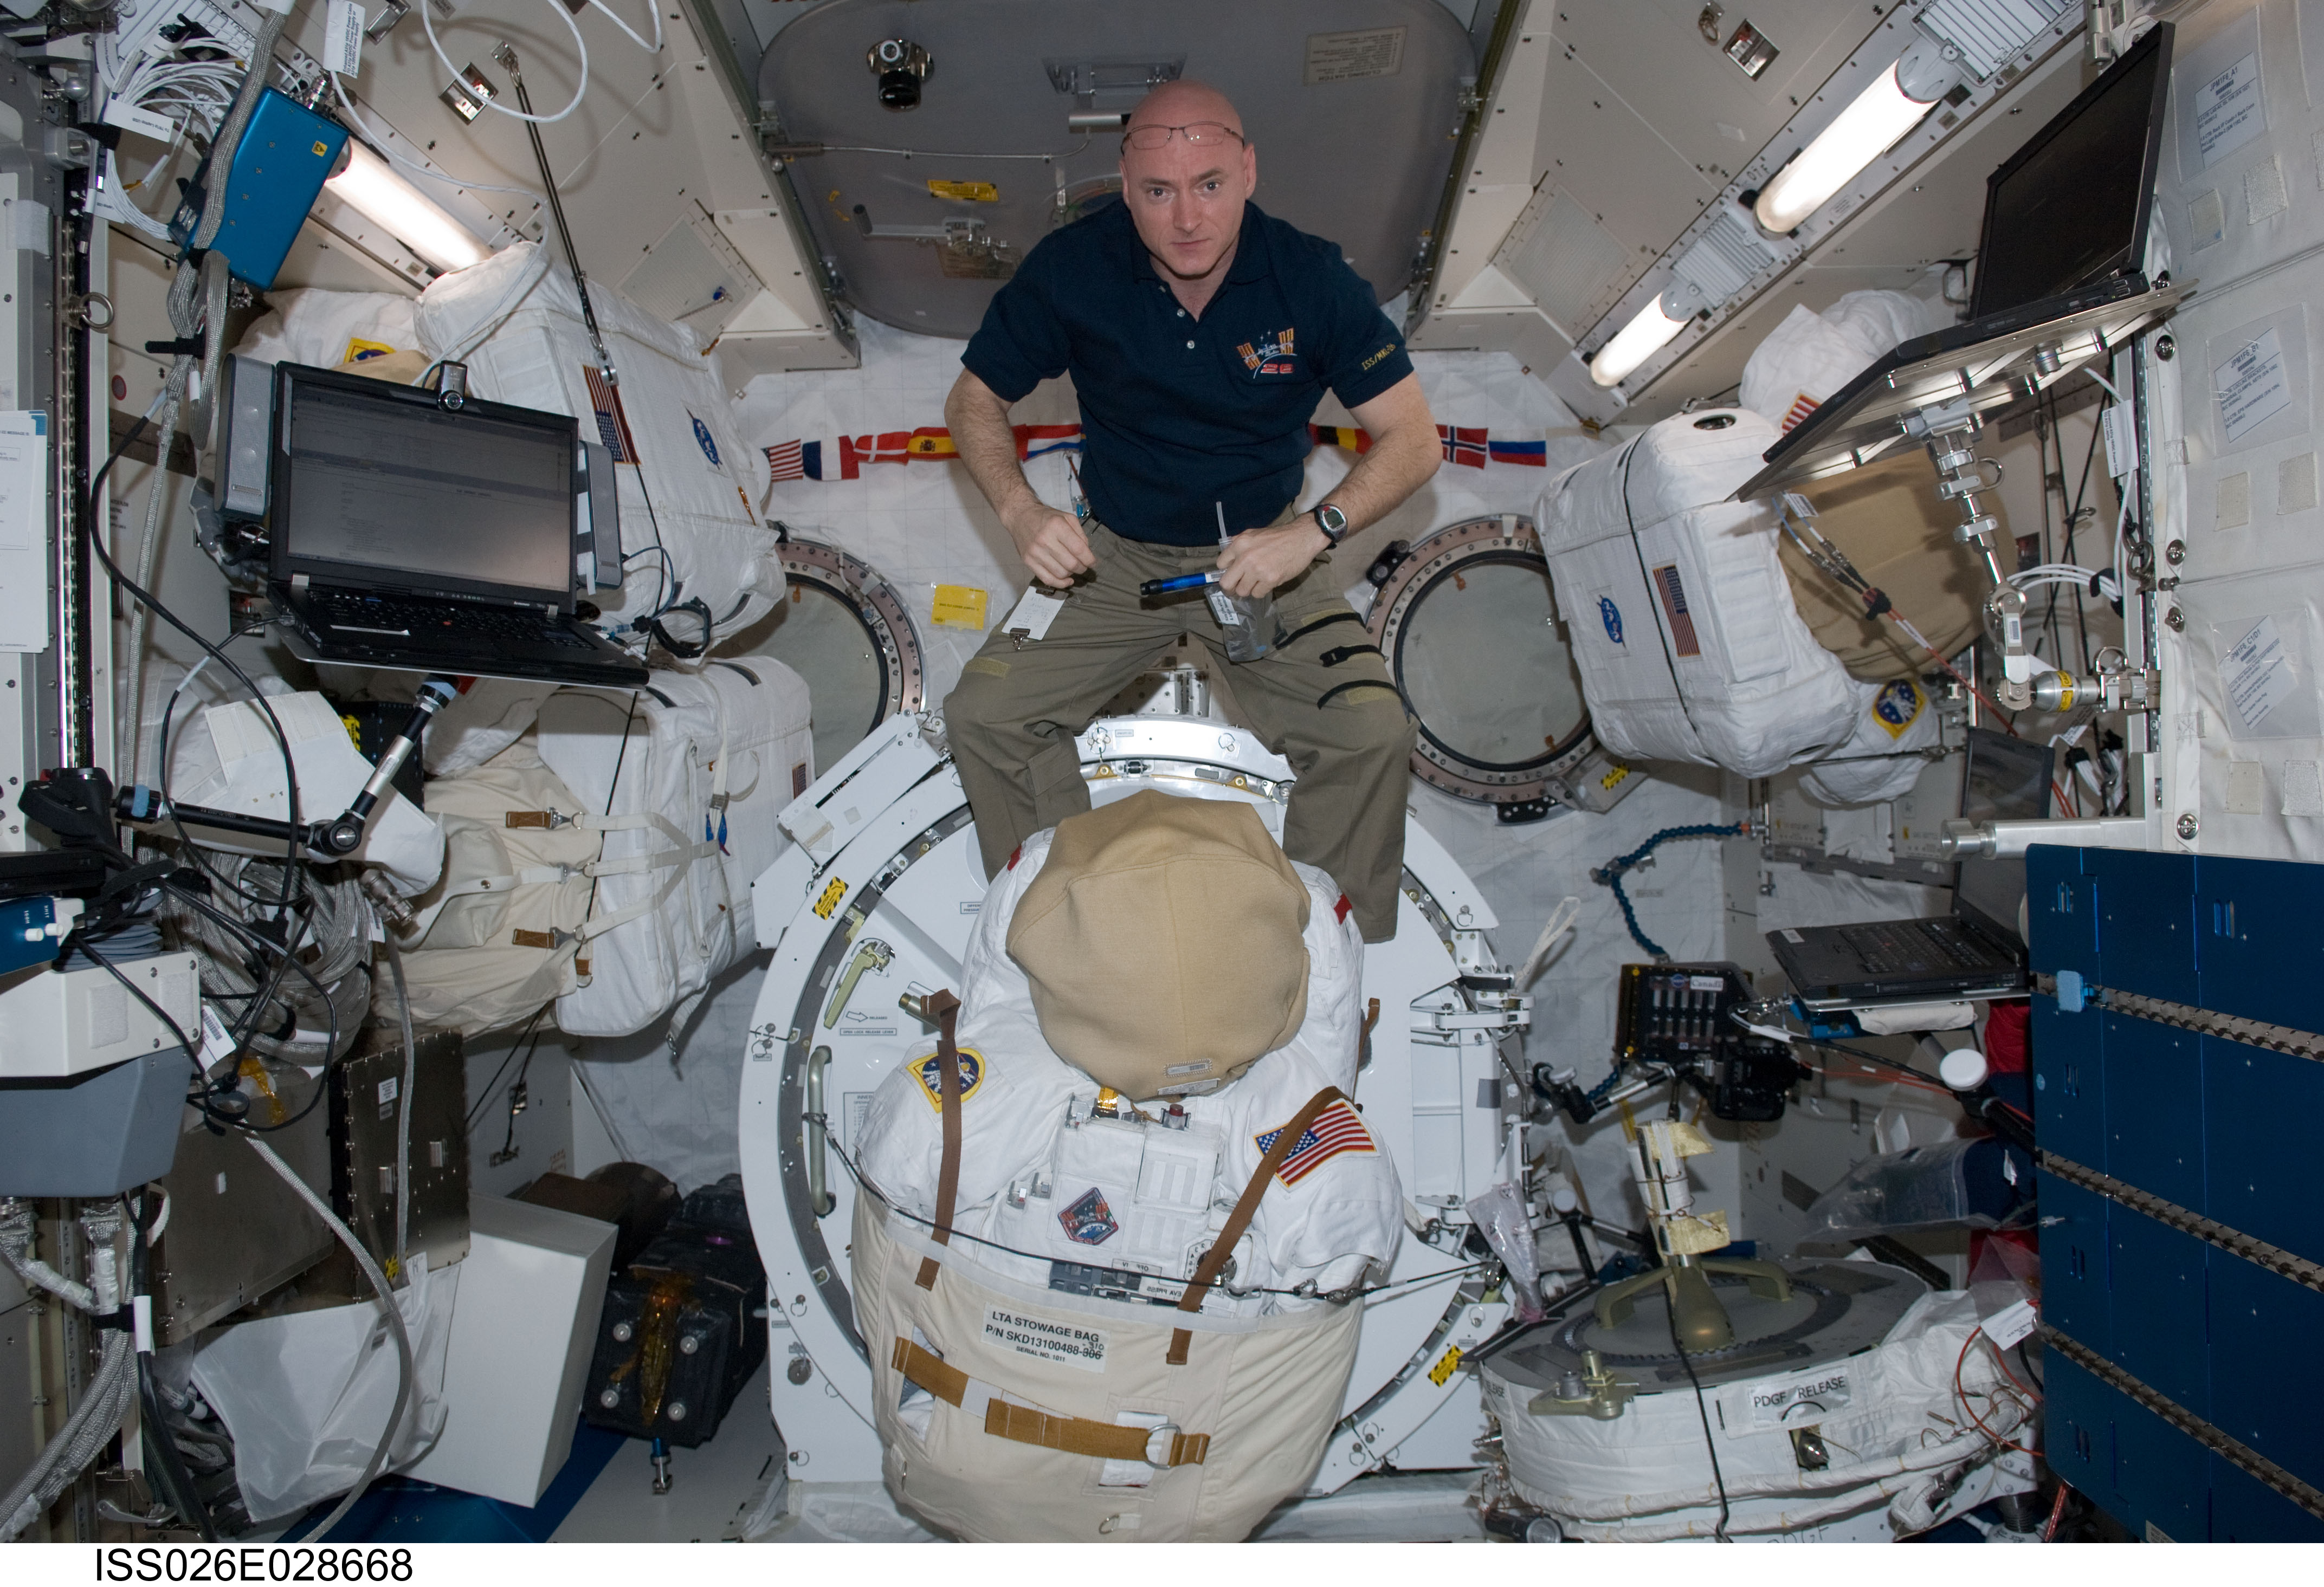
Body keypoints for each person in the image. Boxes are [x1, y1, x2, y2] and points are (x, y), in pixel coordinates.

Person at [942, 79, 1442, 944]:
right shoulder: (1074, 268)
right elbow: (972, 400)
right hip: (1114, 559)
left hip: (1263, 555)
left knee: (1369, 731)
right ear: (1124, 188)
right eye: (1157, 191)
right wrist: (1021, 512)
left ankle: (1322, 959)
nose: (1186, 219)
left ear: (1248, 171)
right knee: (985, 717)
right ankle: (1068, 936)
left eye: (1209, 184)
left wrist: (1310, 533)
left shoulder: (1310, 278)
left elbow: (1413, 439)